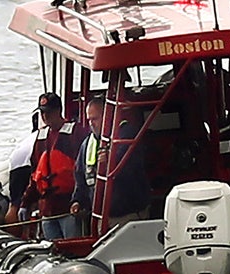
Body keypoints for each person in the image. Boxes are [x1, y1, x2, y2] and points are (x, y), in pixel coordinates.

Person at [70, 97, 151, 230]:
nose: (91, 124)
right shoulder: (87, 144)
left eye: (95, 119)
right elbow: (80, 176)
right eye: (89, 119)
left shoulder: (127, 136)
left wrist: (110, 160)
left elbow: (130, 169)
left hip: (128, 215)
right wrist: (77, 200)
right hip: (101, 217)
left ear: (108, 116)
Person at [18, 93, 84, 240]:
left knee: (71, 249)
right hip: (46, 210)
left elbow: (83, 171)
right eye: (42, 112)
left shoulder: (75, 133)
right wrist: (26, 203)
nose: (44, 116)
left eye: (48, 112)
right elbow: (36, 174)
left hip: (68, 209)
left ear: (58, 111)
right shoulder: (41, 137)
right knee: (52, 250)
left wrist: (81, 200)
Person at [3, 130, 37, 237]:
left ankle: (11, 238)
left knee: (15, 204)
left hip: (17, 161)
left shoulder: (32, 137)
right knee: (31, 201)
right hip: (31, 160)